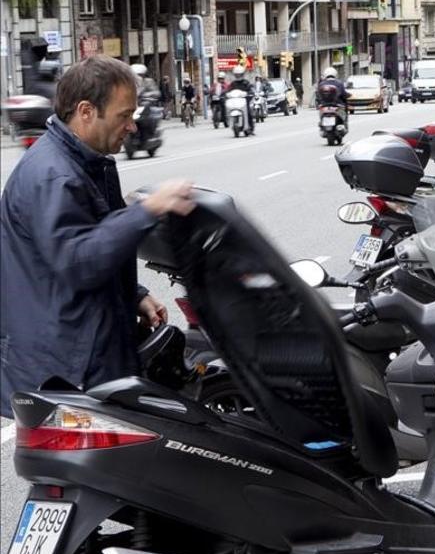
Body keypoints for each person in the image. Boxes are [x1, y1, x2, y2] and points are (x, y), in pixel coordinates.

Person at [0, 54, 194, 423]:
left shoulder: (86, 162)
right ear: (86, 111)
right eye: (124, 116)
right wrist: (148, 209)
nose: (132, 127)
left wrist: (133, 294)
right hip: (66, 366)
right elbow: (77, 262)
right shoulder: (55, 176)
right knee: (85, 474)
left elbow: (92, 235)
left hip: (81, 349)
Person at [227, 64, 256, 134]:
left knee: (249, 112)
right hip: (235, 102)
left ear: (242, 74)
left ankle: (250, 127)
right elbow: (228, 90)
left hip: (244, 101)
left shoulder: (246, 83)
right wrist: (226, 94)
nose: (238, 76)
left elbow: (250, 90)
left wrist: (250, 93)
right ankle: (231, 122)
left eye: (239, 75)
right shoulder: (233, 84)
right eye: (237, 75)